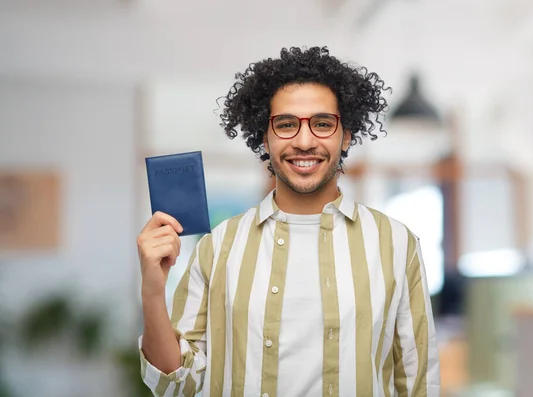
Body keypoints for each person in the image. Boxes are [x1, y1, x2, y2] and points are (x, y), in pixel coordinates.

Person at [136, 46, 440, 397]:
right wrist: (153, 291)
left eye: (323, 124)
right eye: (286, 124)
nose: (305, 140)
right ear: (264, 137)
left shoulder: (397, 244)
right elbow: (175, 384)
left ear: (347, 136)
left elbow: (419, 384)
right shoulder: (219, 247)